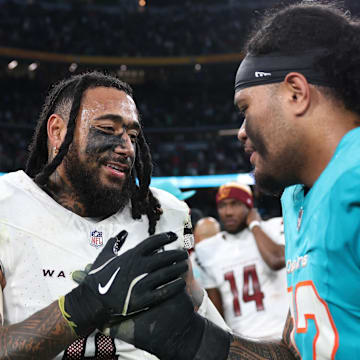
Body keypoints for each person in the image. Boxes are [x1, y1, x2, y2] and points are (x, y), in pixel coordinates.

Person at [91, 2, 360, 359]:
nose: (241, 132)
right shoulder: (297, 196)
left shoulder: (352, 181)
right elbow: (294, 352)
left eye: (245, 108)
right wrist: (193, 338)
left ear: (296, 93)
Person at [0, 71, 228, 359]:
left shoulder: (167, 213)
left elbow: (203, 324)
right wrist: (83, 305)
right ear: (57, 132)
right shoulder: (6, 205)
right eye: (107, 129)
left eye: (133, 135)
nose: (126, 148)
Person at [195, 182, 287, 338]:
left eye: (235, 204)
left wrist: (255, 225)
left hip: (282, 334)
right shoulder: (206, 250)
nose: (228, 212)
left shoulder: (273, 227)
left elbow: (277, 259)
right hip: (242, 341)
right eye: (222, 206)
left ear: (249, 207)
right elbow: (217, 310)